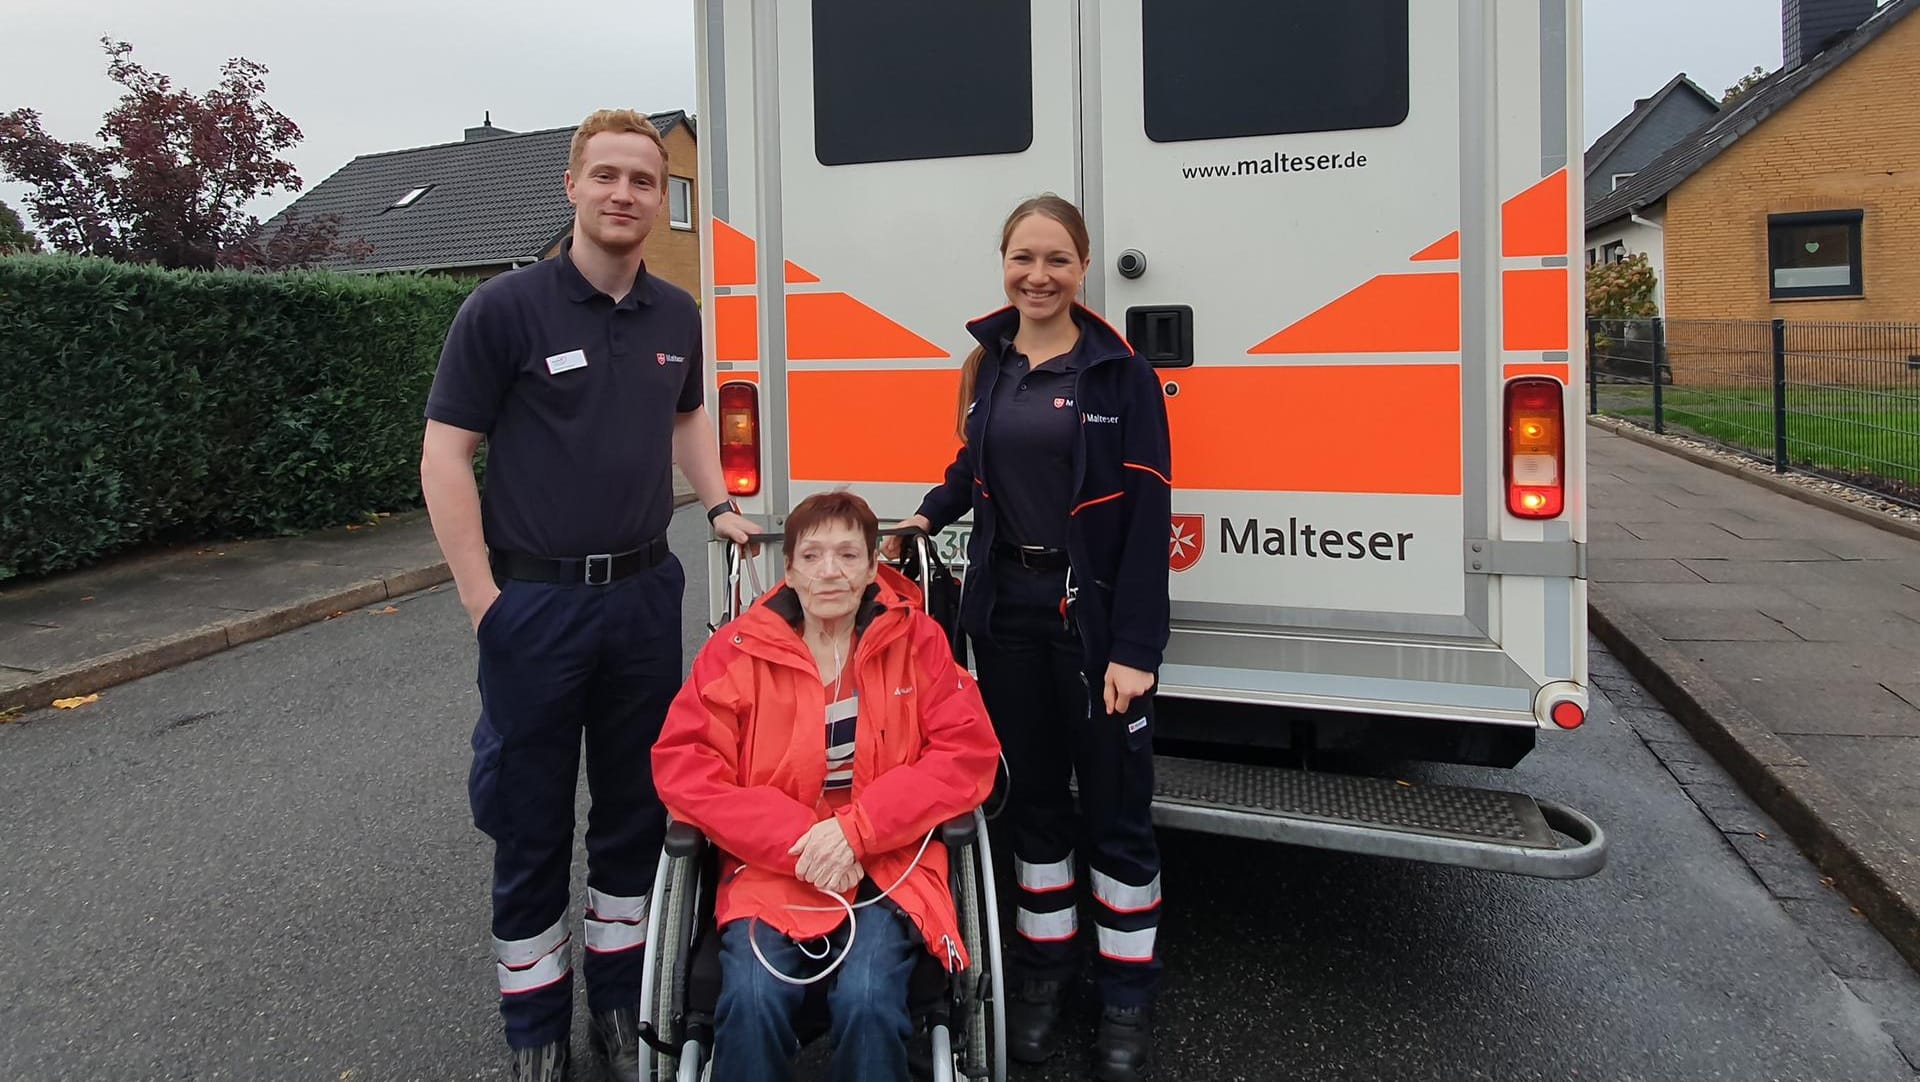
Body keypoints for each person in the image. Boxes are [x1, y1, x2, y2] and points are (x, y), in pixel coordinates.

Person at [420, 108, 758, 1082]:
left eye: (643, 180)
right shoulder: (504, 311)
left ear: (660, 198)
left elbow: (689, 416)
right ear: (570, 186)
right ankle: (533, 1023)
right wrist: (484, 597)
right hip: (535, 606)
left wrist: (724, 506)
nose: (624, 193)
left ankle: (619, 999)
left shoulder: (674, 316)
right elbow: (445, 454)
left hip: (646, 596)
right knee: (528, 814)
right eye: (605, 175)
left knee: (635, 812)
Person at [891, 194, 1173, 1082]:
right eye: (1022, 258)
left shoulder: (1120, 375)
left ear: (1084, 265)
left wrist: (1136, 649)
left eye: (1056, 259)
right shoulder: (991, 363)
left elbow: (1146, 517)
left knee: (1118, 813)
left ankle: (1126, 998)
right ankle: (1046, 977)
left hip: (1093, 625)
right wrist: (926, 517)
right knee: (1035, 806)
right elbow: (973, 467)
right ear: (1003, 263)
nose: (1037, 276)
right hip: (1007, 608)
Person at [652, 491, 1001, 1082]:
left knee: (869, 1000)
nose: (830, 571)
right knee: (754, 1001)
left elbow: (968, 752)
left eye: (847, 554)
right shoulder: (736, 653)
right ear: (789, 570)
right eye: (812, 555)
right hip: (773, 863)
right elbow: (685, 765)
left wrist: (858, 832)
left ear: (873, 569)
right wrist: (801, 839)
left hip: (891, 859)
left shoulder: (918, 643)